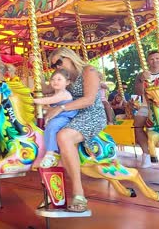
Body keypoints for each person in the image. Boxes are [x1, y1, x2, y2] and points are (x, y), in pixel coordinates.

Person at [44, 47, 106, 212]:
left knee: (64, 136)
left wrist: (60, 108)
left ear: (70, 57)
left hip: (91, 113)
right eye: (53, 66)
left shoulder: (88, 71)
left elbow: (89, 99)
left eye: (59, 62)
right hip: (72, 115)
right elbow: (48, 91)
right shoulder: (64, 78)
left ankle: (79, 193)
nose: (57, 67)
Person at [34, 69, 78, 168]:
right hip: (58, 116)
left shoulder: (64, 94)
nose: (55, 81)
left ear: (67, 82)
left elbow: (49, 100)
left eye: (59, 79)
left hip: (65, 117)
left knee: (51, 126)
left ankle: (50, 154)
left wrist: (32, 100)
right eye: (53, 79)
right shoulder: (56, 93)